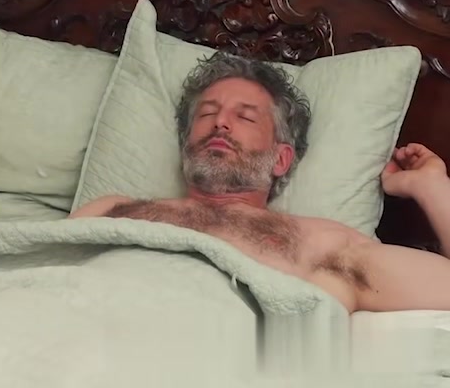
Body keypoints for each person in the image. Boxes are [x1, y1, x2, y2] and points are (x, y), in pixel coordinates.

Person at [69, 51, 450, 313]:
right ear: (186, 146)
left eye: (246, 117)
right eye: (207, 114)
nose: (221, 123)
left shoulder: (322, 243)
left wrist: (431, 187)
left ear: (281, 159)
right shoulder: (112, 210)